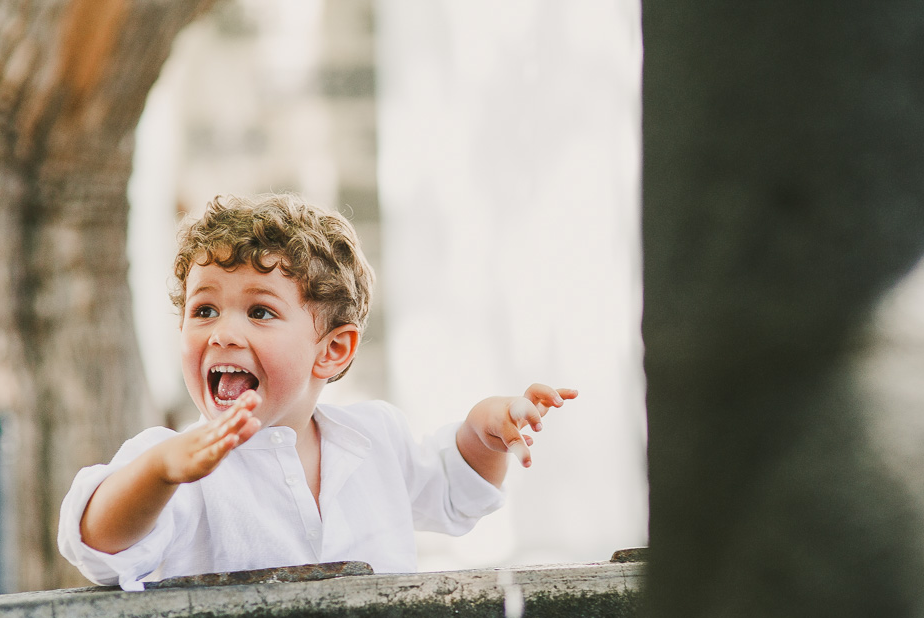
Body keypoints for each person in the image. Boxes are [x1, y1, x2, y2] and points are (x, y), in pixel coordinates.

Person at [58, 193, 577, 590]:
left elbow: (454, 495)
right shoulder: (175, 465)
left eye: (259, 312)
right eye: (204, 310)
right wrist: (158, 473)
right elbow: (97, 543)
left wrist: (485, 435)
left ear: (331, 351)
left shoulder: (376, 439)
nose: (222, 333)